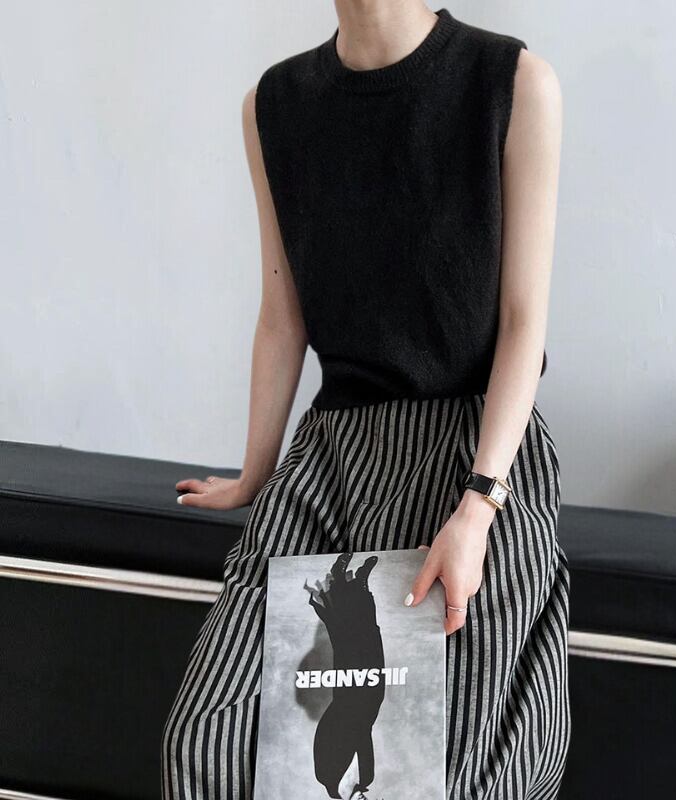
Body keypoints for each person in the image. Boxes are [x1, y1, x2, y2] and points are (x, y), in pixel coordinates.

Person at [161, 3, 568, 799]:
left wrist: (479, 507)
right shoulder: (274, 104)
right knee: (207, 742)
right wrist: (255, 474)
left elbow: (524, 324)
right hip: (333, 463)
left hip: (473, 456)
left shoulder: (514, 82)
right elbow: (282, 319)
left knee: (442, 772)